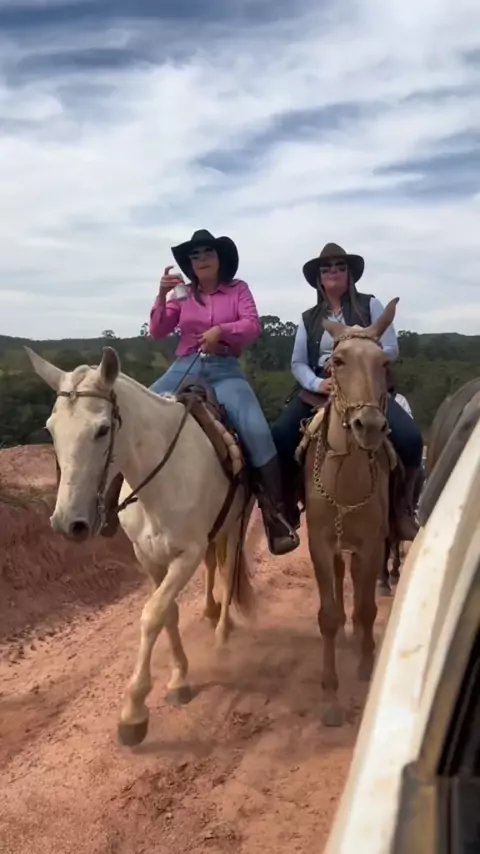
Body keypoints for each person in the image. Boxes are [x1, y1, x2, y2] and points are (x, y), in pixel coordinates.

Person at [145, 228, 299, 556]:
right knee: (141, 409)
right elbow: (158, 331)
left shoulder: (237, 289)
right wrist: (161, 295)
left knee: (257, 431)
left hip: (225, 369)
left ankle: (275, 517)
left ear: (219, 259)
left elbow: (252, 325)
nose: (201, 259)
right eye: (195, 255)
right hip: (185, 366)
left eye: (208, 253)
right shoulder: (182, 294)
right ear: (190, 264)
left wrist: (221, 331)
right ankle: (110, 500)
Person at [271, 242, 423, 541]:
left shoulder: (371, 305)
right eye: (326, 268)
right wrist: (317, 383)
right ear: (318, 277)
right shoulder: (309, 318)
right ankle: (287, 508)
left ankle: (403, 509)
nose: (333, 271)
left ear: (349, 274)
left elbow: (391, 348)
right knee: (280, 436)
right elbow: (298, 363)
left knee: (410, 439)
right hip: (321, 387)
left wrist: (358, 352)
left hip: (365, 385)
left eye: (340, 266)